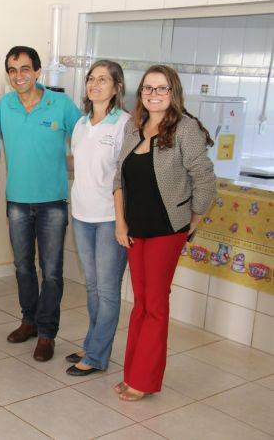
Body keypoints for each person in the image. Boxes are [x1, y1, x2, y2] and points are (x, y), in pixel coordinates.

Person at [113, 65, 216, 401]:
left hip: (166, 230)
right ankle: (133, 373)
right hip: (136, 229)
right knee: (140, 304)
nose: (153, 94)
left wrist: (191, 224)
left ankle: (143, 381)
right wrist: (120, 222)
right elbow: (119, 178)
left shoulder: (185, 129)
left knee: (155, 305)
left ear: (174, 93)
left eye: (161, 88)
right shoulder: (133, 125)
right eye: (148, 88)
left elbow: (205, 180)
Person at [0, 46, 81, 361]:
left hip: (52, 203)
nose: (19, 76)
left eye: (25, 69)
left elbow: (88, 138)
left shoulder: (61, 104)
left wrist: (72, 163)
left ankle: (47, 333)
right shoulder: (3, 106)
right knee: (23, 267)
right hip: (17, 201)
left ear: (38, 71)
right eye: (12, 70)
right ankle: (29, 321)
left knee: (52, 271)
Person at [65, 60, 129, 376]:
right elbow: (81, 166)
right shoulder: (81, 124)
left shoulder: (125, 124)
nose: (95, 84)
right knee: (91, 286)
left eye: (103, 79)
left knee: (107, 289)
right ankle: (93, 343)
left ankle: (97, 356)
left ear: (117, 87)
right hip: (81, 214)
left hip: (109, 218)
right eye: (91, 78)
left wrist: (122, 222)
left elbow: (126, 177)